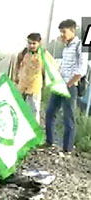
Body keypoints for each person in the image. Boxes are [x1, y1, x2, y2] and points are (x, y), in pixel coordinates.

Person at [45, 19, 89, 154]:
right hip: (59, 85)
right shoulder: (66, 47)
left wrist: (68, 84)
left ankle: (67, 148)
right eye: (61, 32)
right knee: (50, 113)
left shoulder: (80, 46)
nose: (62, 35)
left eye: (64, 32)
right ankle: (49, 142)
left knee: (68, 118)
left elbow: (82, 70)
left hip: (70, 87)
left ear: (73, 30)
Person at [15, 33, 53, 122]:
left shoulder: (44, 54)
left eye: (34, 43)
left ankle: (35, 131)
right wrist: (17, 75)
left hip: (35, 85)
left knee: (34, 109)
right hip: (22, 84)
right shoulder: (24, 52)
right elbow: (17, 63)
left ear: (39, 43)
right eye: (29, 43)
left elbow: (52, 67)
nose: (31, 45)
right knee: (18, 107)